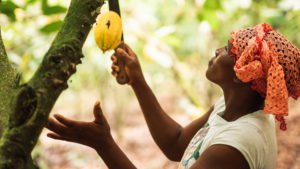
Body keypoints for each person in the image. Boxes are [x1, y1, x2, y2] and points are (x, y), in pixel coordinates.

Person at [46, 23, 299, 169]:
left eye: (228, 49)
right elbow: (176, 144)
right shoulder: (232, 107)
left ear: (242, 75)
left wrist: (103, 144)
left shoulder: (235, 144)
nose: (217, 49)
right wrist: (138, 81)